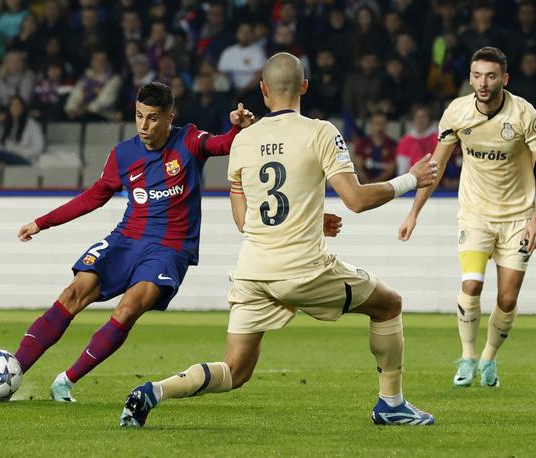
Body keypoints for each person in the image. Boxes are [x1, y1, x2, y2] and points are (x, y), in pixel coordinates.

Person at [120, 53, 438, 428]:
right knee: (388, 305)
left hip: (253, 272)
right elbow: (356, 200)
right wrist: (412, 179)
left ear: (263, 90)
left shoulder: (243, 141)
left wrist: (308, 218)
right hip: (303, 271)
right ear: (304, 86)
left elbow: (244, 219)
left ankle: (152, 392)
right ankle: (392, 404)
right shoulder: (321, 132)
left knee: (235, 370)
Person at [0, 82, 255, 402]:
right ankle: (11, 372)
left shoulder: (190, 141)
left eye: (153, 118)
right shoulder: (124, 154)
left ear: (171, 116)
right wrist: (41, 223)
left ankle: (65, 381)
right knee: (75, 292)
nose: (144, 125)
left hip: (169, 249)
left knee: (127, 308)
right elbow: (93, 197)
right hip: (126, 239)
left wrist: (237, 128)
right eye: (139, 116)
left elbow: (224, 144)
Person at [398, 47, 536, 388]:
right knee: (471, 284)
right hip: (475, 215)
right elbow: (435, 167)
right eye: (476, 76)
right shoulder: (456, 112)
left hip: (518, 218)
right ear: (470, 78)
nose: (482, 83)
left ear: (504, 79)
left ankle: (489, 358)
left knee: (507, 298)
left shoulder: (525, 115)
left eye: (490, 76)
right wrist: (414, 212)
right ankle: (468, 356)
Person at [0, 96, 43, 165]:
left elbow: (38, 146)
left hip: (25, 159)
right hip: (8, 157)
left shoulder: (31, 124)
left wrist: (21, 153)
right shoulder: (5, 125)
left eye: (17, 105)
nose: (14, 108)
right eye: (12, 106)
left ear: (22, 107)